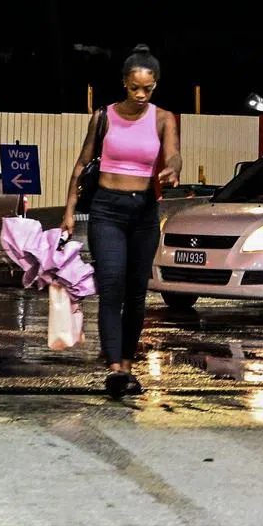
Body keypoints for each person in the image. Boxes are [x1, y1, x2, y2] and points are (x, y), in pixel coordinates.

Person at [61, 44, 182, 398]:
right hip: (106, 209)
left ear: (155, 85)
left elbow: (173, 153)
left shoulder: (163, 118)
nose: (141, 95)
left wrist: (174, 167)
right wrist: (69, 211)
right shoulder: (104, 116)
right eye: (134, 88)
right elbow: (81, 165)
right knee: (111, 285)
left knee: (136, 293)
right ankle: (114, 368)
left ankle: (128, 366)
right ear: (124, 83)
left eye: (148, 88)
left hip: (144, 211)